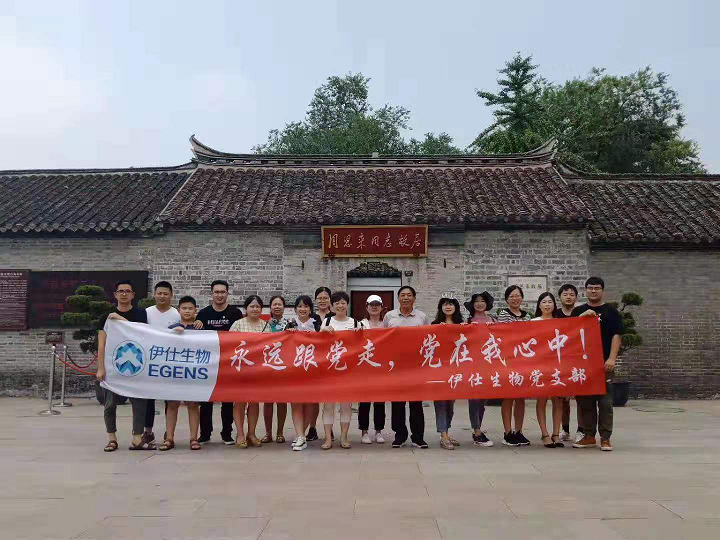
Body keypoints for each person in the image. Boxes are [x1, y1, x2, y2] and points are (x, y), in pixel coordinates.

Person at [96, 280, 154, 451]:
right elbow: (101, 344)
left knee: (139, 402)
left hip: (136, 365)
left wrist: (120, 320)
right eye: (120, 291)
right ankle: (112, 438)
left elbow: (141, 334)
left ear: (133, 295)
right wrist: (101, 368)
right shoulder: (106, 317)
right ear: (115, 294)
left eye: (127, 291)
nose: (124, 294)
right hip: (113, 366)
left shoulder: (140, 314)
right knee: (109, 404)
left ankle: (137, 438)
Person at [572, 277, 623, 451]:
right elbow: (570, 332)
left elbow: (617, 335)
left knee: (605, 403)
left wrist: (612, 358)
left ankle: (605, 438)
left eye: (597, 288)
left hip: (604, 363)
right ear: (585, 290)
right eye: (590, 288)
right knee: (585, 402)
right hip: (584, 365)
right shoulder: (578, 310)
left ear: (602, 290)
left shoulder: (611, 311)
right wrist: (581, 317)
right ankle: (589, 436)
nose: (593, 291)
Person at [196, 280, 243, 445]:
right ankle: (205, 433)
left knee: (228, 400)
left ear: (227, 294)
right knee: (206, 400)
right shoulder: (203, 314)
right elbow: (195, 338)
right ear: (211, 294)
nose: (219, 295)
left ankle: (227, 433)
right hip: (208, 363)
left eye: (223, 292)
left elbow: (241, 337)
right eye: (216, 292)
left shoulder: (235, 313)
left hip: (228, 363)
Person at [384, 285, 429, 449]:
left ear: (414, 298)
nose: (406, 298)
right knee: (397, 402)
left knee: (416, 403)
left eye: (409, 295)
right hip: (396, 366)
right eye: (402, 295)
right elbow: (383, 338)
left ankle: (418, 437)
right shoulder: (389, 316)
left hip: (416, 366)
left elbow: (428, 339)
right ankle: (400, 435)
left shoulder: (422, 317)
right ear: (398, 298)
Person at [159, 296, 203, 451]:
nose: (187, 311)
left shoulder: (200, 328)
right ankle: (169, 438)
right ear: (178, 310)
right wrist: (173, 334)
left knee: (193, 405)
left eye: (190, 308)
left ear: (195, 310)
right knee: (172, 405)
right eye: (184, 308)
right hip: (174, 373)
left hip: (193, 373)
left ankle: (194, 438)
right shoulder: (171, 328)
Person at [229, 295, 268, 448]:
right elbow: (229, 345)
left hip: (258, 371)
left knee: (254, 402)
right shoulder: (238, 324)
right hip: (240, 369)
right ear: (246, 308)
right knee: (239, 402)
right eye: (252, 306)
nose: (255, 309)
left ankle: (251, 433)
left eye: (258, 306)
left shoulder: (266, 325)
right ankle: (240, 434)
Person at [319, 291, 356, 449]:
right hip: (330, 371)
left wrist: (358, 334)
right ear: (332, 306)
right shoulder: (326, 321)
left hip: (348, 371)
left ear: (347, 305)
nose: (340, 306)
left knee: (346, 405)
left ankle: (344, 437)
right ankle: (328, 438)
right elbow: (319, 344)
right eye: (337, 303)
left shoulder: (355, 323)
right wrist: (322, 332)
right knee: (329, 406)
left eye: (343, 303)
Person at [497, 285, 532, 447]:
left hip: (523, 361)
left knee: (520, 398)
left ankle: (519, 431)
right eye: (511, 296)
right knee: (508, 396)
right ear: (507, 299)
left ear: (522, 298)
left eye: (517, 295)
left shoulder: (528, 316)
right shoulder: (503, 314)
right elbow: (504, 333)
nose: (515, 298)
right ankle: (507, 432)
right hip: (508, 361)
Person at [285, 295, 321, 451]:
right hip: (295, 371)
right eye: (299, 306)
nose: (302, 309)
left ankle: (302, 435)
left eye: (305, 306)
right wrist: (288, 333)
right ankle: (300, 435)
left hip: (313, 371)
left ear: (310, 309)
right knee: (296, 403)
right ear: (295, 309)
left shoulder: (317, 324)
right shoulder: (290, 324)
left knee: (310, 403)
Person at [531, 292, 565, 448]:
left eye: (550, 302)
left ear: (554, 305)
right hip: (540, 366)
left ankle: (556, 434)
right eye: (544, 302)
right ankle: (545, 433)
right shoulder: (533, 322)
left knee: (557, 400)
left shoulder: (560, 323)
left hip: (557, 366)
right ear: (539, 305)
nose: (547, 305)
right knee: (542, 399)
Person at [431, 295, 464, 450]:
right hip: (439, 370)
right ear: (441, 308)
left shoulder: (462, 325)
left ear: (456, 307)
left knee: (450, 404)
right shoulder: (434, 325)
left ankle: (446, 432)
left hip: (455, 371)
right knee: (440, 403)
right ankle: (443, 435)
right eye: (445, 304)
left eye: (451, 304)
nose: (448, 307)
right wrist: (438, 330)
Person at [464, 291, 495, 447]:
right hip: (472, 364)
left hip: (488, 364)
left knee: (482, 400)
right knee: (473, 399)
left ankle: (478, 427)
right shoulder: (468, 321)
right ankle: (476, 431)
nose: (479, 303)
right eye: (476, 301)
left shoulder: (493, 320)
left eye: (482, 301)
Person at [555, 283, 585, 442]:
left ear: (576, 297)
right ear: (559, 297)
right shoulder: (555, 314)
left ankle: (581, 430)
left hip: (578, 359)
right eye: (565, 294)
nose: (568, 297)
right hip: (560, 361)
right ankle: (565, 429)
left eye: (572, 294)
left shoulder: (582, 313)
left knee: (580, 398)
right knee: (563, 399)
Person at [305, 286, 334, 442]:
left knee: (329, 398)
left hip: (331, 361)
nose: (322, 301)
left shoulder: (335, 316)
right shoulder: (310, 317)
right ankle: (312, 428)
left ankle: (329, 429)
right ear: (315, 300)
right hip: (313, 361)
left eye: (325, 298)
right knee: (313, 398)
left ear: (330, 300)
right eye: (320, 298)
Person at [261, 296, 291, 444]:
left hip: (283, 366)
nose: (277, 306)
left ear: (284, 307)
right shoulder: (264, 324)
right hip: (267, 367)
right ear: (270, 307)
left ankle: (280, 432)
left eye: (280, 304)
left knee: (281, 401)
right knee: (267, 401)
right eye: (274, 304)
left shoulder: (290, 323)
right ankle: (268, 433)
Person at [357, 295, 386, 444]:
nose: (374, 307)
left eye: (377, 304)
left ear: (381, 307)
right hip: (365, 367)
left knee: (380, 401)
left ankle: (379, 431)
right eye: (371, 304)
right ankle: (364, 431)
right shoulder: (361, 324)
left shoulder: (386, 324)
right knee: (364, 401)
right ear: (366, 307)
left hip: (381, 367)